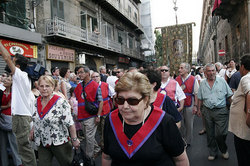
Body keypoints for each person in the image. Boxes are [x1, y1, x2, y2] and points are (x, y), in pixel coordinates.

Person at [102, 72, 189, 166]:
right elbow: (106, 157)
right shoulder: (111, 119)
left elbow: (180, 160)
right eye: (120, 100)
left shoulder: (164, 121)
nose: (125, 106)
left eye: (132, 101)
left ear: (146, 100)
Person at [30, 75, 80, 166]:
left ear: (53, 87)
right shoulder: (35, 102)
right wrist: (33, 130)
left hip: (59, 141)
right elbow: (37, 118)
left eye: (47, 86)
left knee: (67, 164)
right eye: (41, 86)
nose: (44, 89)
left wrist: (74, 139)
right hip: (42, 141)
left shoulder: (61, 102)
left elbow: (70, 123)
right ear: (38, 87)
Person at [0, 41, 37, 165]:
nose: (9, 63)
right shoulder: (19, 78)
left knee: (24, 150)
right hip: (19, 117)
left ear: (18, 66)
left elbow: (5, 56)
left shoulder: (20, 75)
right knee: (21, 149)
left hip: (22, 118)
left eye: (13, 61)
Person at [197, 63, 233, 161]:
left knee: (221, 134)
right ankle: (212, 152)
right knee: (210, 134)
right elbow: (199, 97)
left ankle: (223, 149)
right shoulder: (203, 83)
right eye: (209, 71)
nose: (211, 73)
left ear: (216, 71)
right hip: (207, 111)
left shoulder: (222, 81)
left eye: (213, 70)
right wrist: (198, 108)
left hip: (221, 111)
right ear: (205, 72)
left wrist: (233, 108)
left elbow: (229, 95)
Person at [74, 66, 103, 158]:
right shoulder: (78, 86)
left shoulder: (95, 85)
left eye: (81, 72)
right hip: (82, 116)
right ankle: (97, 149)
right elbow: (77, 99)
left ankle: (89, 158)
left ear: (87, 73)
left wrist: (98, 115)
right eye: (78, 73)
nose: (79, 74)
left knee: (89, 137)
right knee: (87, 136)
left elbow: (101, 101)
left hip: (91, 115)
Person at [229, 55, 250, 166]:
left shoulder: (246, 78)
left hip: (244, 131)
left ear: (242, 66)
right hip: (243, 130)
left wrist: (249, 118)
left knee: (244, 158)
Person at [0, 75, 22, 166]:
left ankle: (18, 163)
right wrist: (7, 106)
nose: (5, 80)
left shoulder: (16, 93)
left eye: (8, 79)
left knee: (14, 144)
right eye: (5, 79)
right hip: (2, 119)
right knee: (2, 145)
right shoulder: (1, 92)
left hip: (11, 118)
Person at [176, 63, 199, 147]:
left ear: (186, 70)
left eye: (181, 68)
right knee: (180, 123)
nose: (179, 70)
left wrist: (196, 106)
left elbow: (196, 94)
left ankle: (188, 140)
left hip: (190, 103)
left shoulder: (193, 79)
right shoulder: (177, 79)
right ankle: (181, 139)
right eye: (179, 68)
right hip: (179, 104)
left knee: (189, 124)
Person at [91, 72, 115, 149]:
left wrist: (113, 105)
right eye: (93, 77)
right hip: (95, 110)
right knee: (98, 128)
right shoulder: (90, 86)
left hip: (105, 109)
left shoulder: (106, 85)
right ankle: (102, 141)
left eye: (97, 76)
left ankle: (104, 143)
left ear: (100, 77)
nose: (95, 78)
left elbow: (113, 94)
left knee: (104, 127)